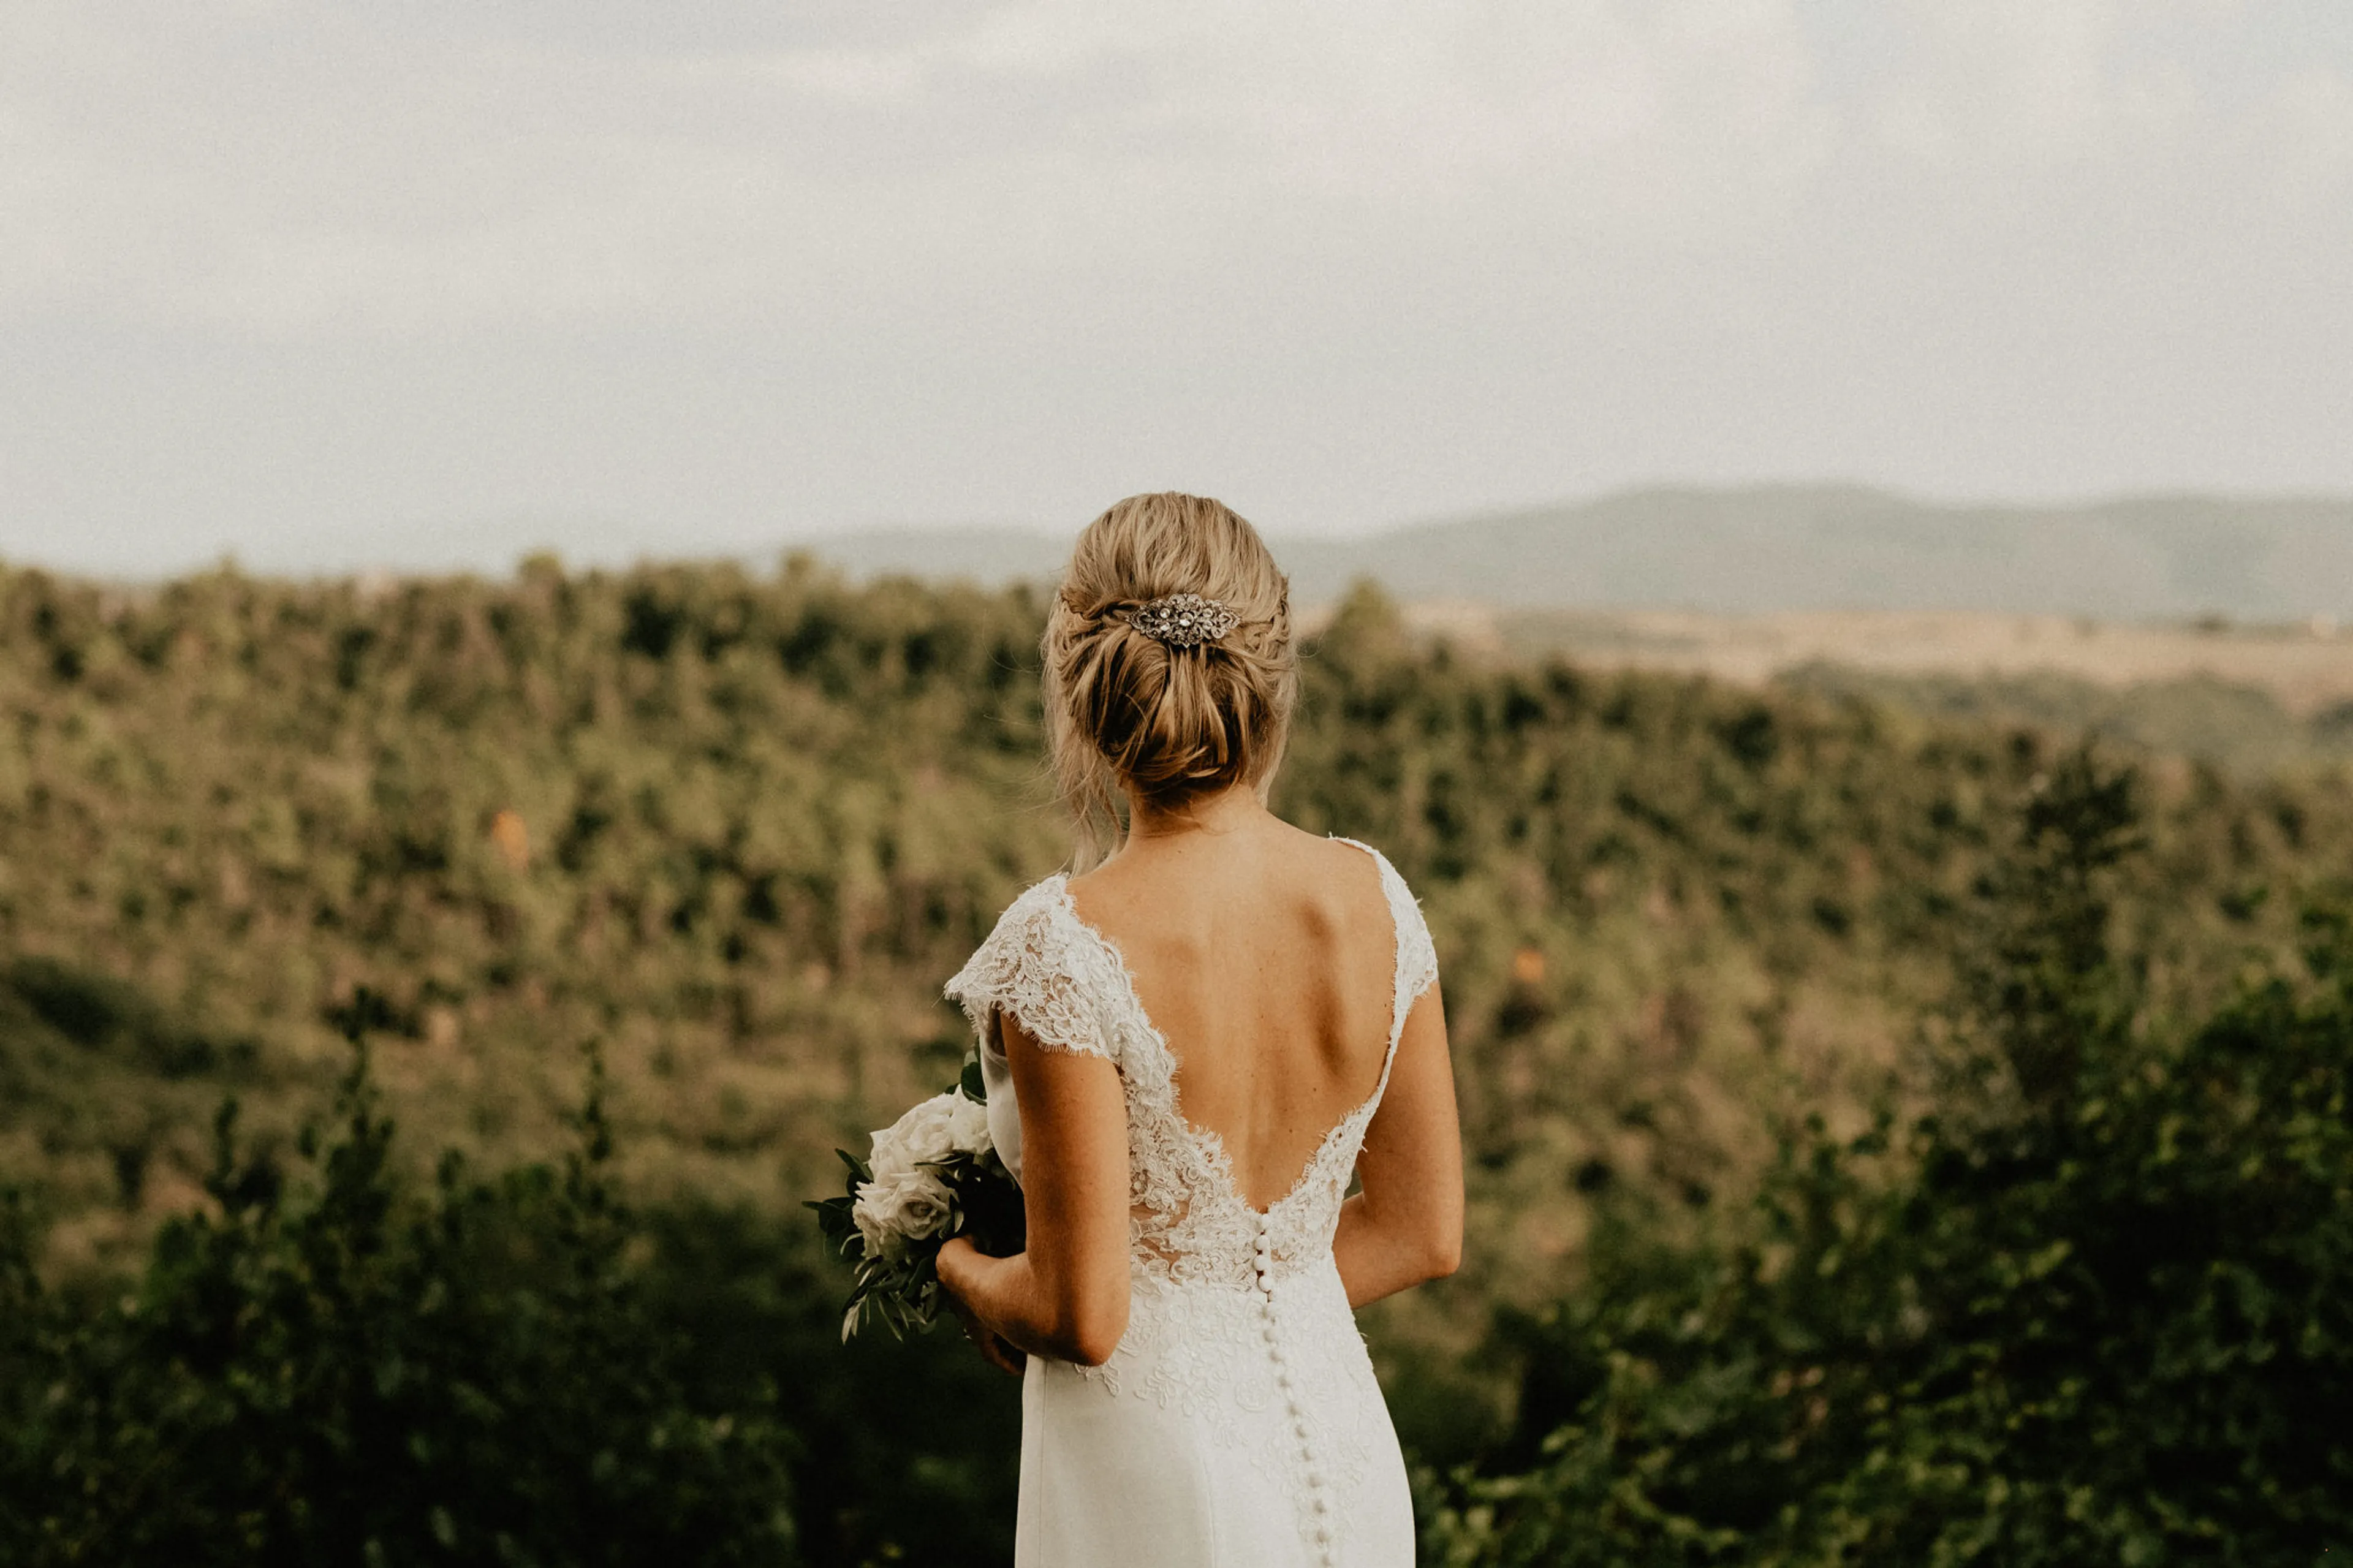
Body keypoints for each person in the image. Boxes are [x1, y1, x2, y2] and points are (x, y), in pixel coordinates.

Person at [936, 493, 1464, 1567]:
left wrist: (956, 1266)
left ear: (1080, 688)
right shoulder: (1375, 899)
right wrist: (1248, 1308)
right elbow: (1423, 1232)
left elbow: (1083, 1314)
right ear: (1273, 672)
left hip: (1156, 1474)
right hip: (1346, 1453)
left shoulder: (1062, 943)